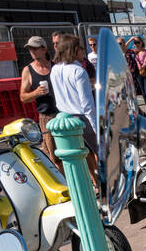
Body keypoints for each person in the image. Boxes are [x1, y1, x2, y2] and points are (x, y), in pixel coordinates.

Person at [49, 33, 98, 181]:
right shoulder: (78, 71)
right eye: (81, 48)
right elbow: (87, 104)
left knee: (79, 159)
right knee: (103, 154)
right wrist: (97, 128)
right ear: (74, 50)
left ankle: (94, 183)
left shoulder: (55, 69)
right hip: (83, 118)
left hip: (65, 120)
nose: (83, 51)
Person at [19, 36, 58, 164]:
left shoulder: (56, 66)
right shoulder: (27, 70)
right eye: (30, 49)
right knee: (53, 156)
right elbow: (23, 97)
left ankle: (92, 181)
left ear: (44, 49)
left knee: (73, 149)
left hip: (63, 114)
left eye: (35, 48)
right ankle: (65, 183)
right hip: (46, 117)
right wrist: (36, 93)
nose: (32, 52)